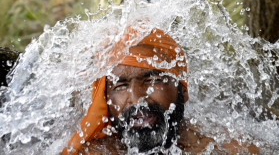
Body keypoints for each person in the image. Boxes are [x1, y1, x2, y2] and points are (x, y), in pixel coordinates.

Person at [61, 28, 259, 155]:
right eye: (121, 86)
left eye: (152, 80)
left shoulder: (231, 149)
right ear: (105, 100)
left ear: (182, 89)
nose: (137, 99)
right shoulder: (96, 153)